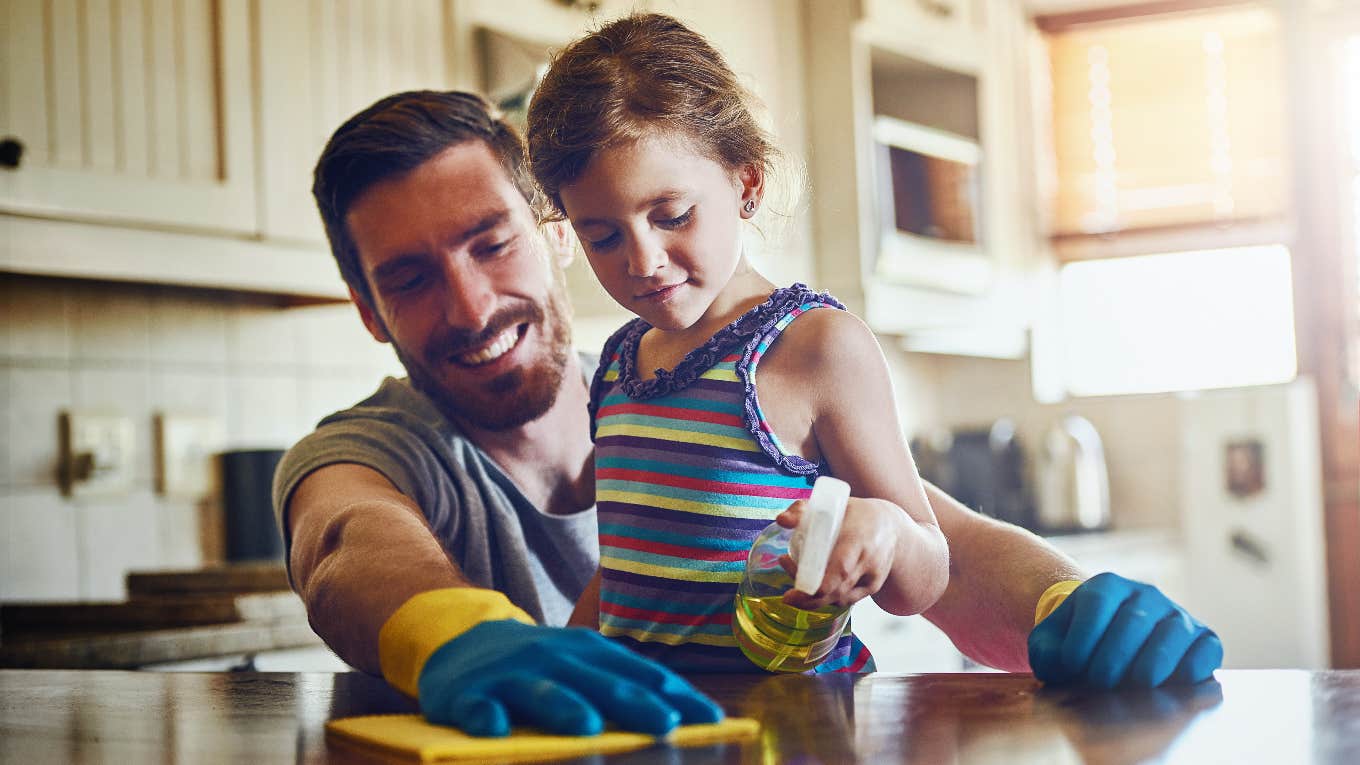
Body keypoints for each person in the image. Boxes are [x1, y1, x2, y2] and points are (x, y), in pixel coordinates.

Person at [277, 88, 1221, 738]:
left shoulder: (682, 380)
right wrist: (449, 633)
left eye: (492, 244)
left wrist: (1063, 600)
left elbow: (923, 532)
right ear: (368, 310)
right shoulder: (371, 450)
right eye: (408, 278)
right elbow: (346, 541)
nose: (473, 305)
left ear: (552, 236)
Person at [523, 13, 948, 674]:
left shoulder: (815, 347)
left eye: (672, 216)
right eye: (602, 236)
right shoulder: (617, 362)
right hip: (657, 727)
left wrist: (888, 534)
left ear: (745, 184)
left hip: (789, 730)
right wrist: (556, 663)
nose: (643, 260)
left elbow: (927, 574)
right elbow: (626, 578)